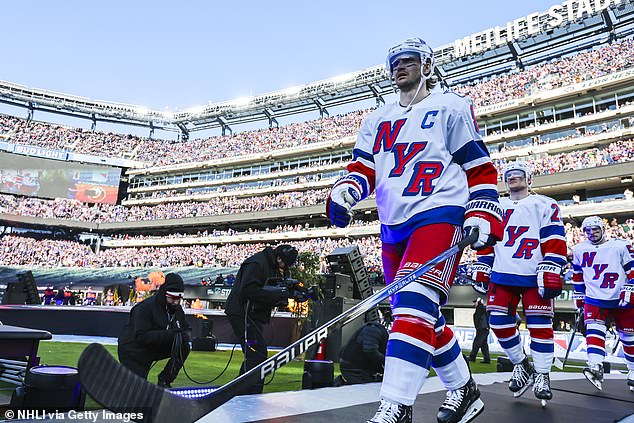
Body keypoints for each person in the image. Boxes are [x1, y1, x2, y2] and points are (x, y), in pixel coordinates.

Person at [326, 37, 503, 423]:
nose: (398, 67)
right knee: (423, 316)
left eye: (407, 60)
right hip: (393, 222)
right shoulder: (377, 117)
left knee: (413, 304)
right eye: (394, 62)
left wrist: (483, 210)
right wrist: (346, 191)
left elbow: (480, 167)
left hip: (440, 212)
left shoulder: (451, 106)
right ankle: (464, 389)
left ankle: (396, 405)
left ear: (426, 64)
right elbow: (364, 168)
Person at [473, 161, 567, 403]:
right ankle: (521, 363)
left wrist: (552, 263)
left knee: (540, 327)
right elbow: (487, 239)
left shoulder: (544, 204)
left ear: (529, 179)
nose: (513, 178)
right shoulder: (497, 205)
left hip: (535, 273)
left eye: (518, 175)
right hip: (503, 271)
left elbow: (554, 236)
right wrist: (483, 263)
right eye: (509, 175)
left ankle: (543, 374)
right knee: (497, 322)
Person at [224, 244, 299, 395]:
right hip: (241, 313)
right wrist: (277, 294)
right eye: (284, 265)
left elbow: (269, 290)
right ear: (278, 258)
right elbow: (247, 290)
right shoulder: (257, 263)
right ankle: (245, 394)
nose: (284, 270)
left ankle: (240, 393)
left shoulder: (270, 264)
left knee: (255, 354)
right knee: (257, 353)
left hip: (253, 314)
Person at [571, 216, 634, 391]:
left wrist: (630, 288)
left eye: (595, 229)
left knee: (629, 338)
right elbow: (577, 275)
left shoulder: (620, 245)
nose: (592, 233)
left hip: (620, 296)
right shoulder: (579, 249)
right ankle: (595, 366)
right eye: (588, 230)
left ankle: (633, 370)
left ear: (603, 229)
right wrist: (579, 295)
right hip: (595, 297)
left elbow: (633, 270)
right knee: (594, 329)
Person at [118, 273, 191, 388]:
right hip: (133, 350)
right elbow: (142, 337)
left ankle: (165, 380)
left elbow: (185, 328)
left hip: (153, 346)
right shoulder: (145, 307)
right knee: (136, 392)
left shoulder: (177, 309)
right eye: (173, 298)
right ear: (164, 294)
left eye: (179, 299)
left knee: (184, 345)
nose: (176, 302)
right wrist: (170, 335)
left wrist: (186, 334)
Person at [335, 321, 389, 386]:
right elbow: (370, 350)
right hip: (355, 368)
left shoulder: (373, 330)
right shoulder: (374, 330)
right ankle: (339, 385)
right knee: (368, 387)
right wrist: (386, 362)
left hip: (353, 365)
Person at [467, 298, 490, 364]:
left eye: (475, 302)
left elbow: (477, 319)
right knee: (484, 345)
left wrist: (478, 327)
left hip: (482, 329)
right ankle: (487, 359)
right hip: (485, 329)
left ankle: (472, 356)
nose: (474, 304)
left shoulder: (480, 309)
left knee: (476, 343)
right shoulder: (483, 309)